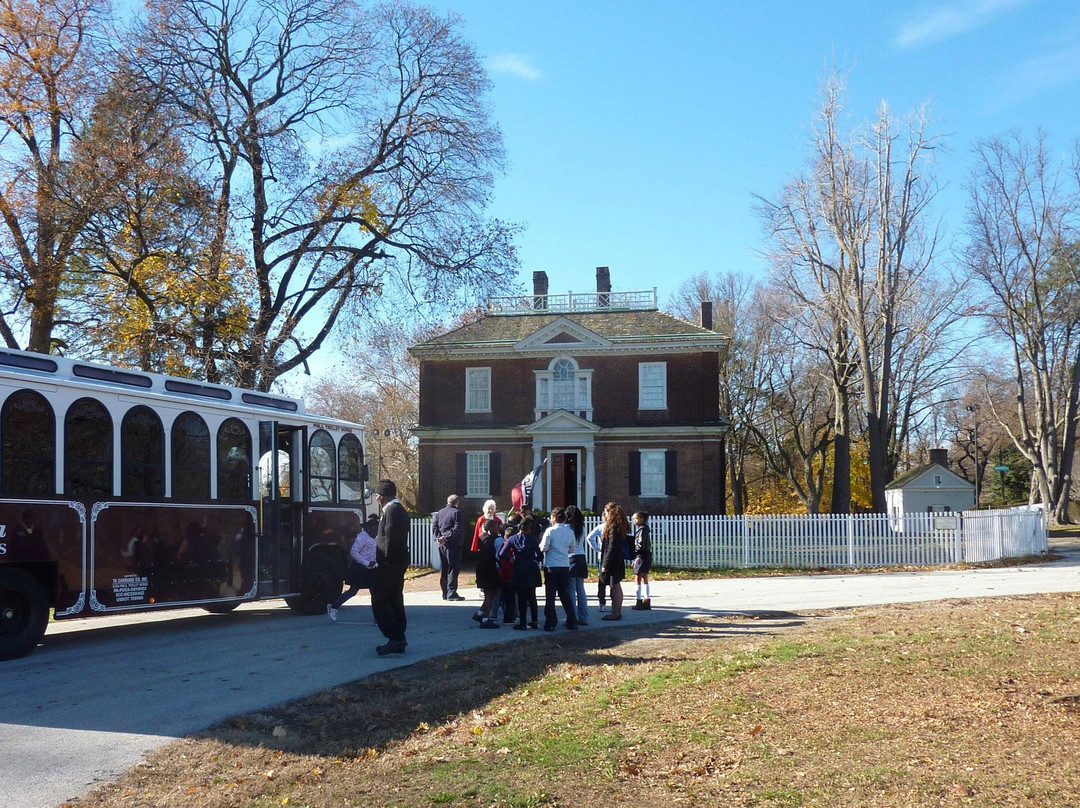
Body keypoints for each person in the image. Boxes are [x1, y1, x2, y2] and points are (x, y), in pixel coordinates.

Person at [370, 479, 410, 655]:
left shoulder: (393, 510)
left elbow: (391, 540)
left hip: (390, 564)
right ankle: (399, 637)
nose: (376, 497)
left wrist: (384, 561)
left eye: (377, 494)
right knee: (394, 598)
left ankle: (395, 637)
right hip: (395, 563)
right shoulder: (395, 509)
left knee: (380, 600)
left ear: (383, 495)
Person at [328, 514, 379, 621]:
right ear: (368, 528)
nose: (376, 531)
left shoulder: (376, 538)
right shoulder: (362, 537)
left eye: (377, 529)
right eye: (374, 529)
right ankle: (334, 606)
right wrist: (365, 562)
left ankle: (377, 617)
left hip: (372, 568)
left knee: (375, 592)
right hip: (360, 568)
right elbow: (353, 552)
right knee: (353, 590)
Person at [538, 507, 578, 631]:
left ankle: (551, 622)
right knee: (564, 594)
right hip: (564, 566)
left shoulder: (550, 531)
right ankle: (572, 621)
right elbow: (572, 549)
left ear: (554, 518)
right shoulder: (570, 532)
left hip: (551, 566)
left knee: (550, 596)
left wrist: (541, 545)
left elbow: (544, 547)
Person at [432, 494, 465, 601]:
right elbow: (456, 529)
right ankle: (451, 592)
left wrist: (439, 537)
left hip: (441, 545)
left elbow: (435, 527)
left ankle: (444, 592)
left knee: (444, 568)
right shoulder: (457, 513)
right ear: (457, 502)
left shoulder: (440, 512)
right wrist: (446, 538)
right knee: (453, 568)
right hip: (453, 544)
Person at [599, 502, 629, 621]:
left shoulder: (613, 528)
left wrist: (605, 564)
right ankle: (616, 611)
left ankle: (616, 612)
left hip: (613, 560)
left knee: (615, 585)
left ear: (610, 513)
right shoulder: (618, 526)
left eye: (606, 513)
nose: (604, 515)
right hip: (617, 559)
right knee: (616, 585)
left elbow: (612, 547)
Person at [511, 516, 542, 629]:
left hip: (519, 569)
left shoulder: (513, 539)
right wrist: (534, 561)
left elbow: (501, 553)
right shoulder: (534, 539)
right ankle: (534, 621)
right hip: (532, 569)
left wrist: (512, 558)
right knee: (532, 596)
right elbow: (540, 556)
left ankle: (523, 622)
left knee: (521, 597)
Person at [472, 518, 501, 628]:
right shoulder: (494, 540)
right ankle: (485, 620)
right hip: (489, 569)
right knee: (489, 595)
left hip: (481, 568)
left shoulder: (481, 537)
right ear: (491, 528)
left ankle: (480, 613)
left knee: (492, 593)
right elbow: (497, 555)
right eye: (496, 527)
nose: (498, 529)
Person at [564, 504, 590, 626]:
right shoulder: (582, 528)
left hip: (571, 558)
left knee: (571, 590)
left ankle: (572, 617)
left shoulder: (567, 528)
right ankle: (584, 617)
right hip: (581, 557)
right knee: (581, 589)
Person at [495, 522, 518, 623]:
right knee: (511, 598)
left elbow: (499, 556)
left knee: (504, 597)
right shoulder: (514, 546)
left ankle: (507, 616)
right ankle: (511, 617)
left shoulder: (502, 544)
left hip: (502, 573)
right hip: (511, 574)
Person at [630, 510, 653, 610]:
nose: (634, 521)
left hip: (641, 556)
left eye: (636, 519)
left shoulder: (642, 531)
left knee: (638, 578)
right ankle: (646, 600)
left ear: (642, 519)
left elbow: (640, 545)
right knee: (644, 578)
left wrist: (633, 547)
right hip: (646, 555)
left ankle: (639, 601)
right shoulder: (645, 530)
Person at [586, 521, 606, 611]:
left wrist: (597, 549)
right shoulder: (618, 525)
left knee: (602, 581)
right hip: (615, 556)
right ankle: (615, 603)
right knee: (615, 582)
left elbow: (589, 537)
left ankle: (602, 602)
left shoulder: (601, 527)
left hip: (602, 555)